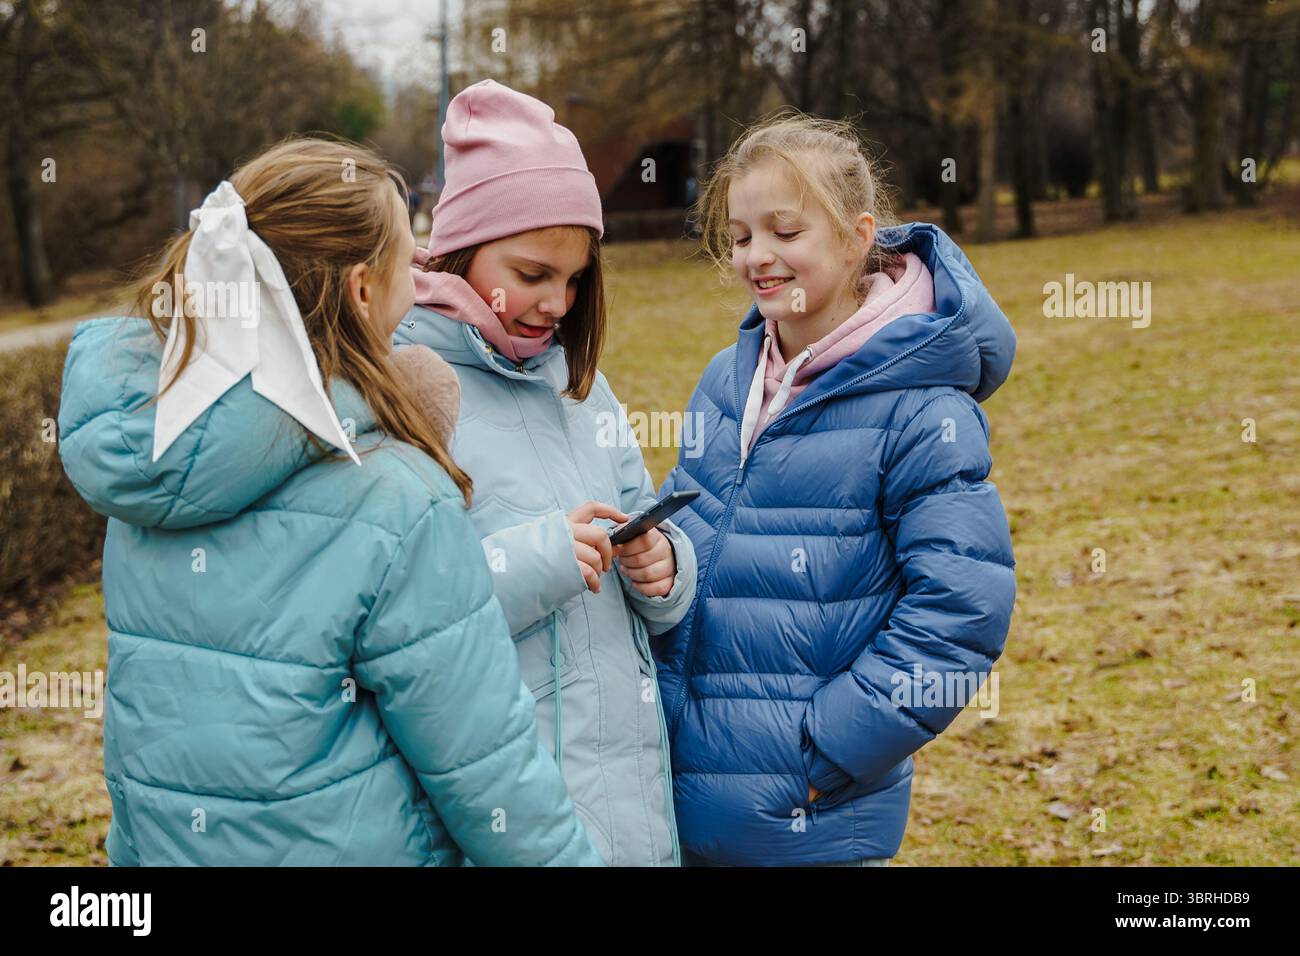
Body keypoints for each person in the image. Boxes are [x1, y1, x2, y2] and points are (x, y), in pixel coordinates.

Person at [56, 137, 603, 867]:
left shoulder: (156, 477)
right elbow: (487, 770)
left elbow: (148, 740)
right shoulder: (398, 500)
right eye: (407, 257)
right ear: (362, 291)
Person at [654, 112, 1017, 866]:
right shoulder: (726, 380)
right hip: (678, 798)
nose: (759, 256)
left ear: (858, 237)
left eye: (786, 232)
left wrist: (825, 749)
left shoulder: (924, 410)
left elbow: (963, 611)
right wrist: (653, 559)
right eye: (743, 234)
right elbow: (688, 522)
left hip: (811, 821)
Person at [395, 79, 697, 866]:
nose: (558, 302)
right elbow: (396, 614)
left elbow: (641, 520)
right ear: (462, 247)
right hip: (509, 815)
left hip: (634, 804)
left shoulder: (584, 389)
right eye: (533, 274)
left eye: (575, 279)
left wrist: (662, 568)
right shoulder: (404, 388)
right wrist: (543, 559)